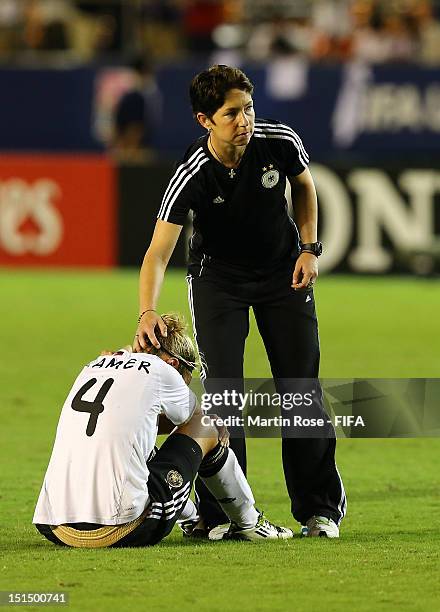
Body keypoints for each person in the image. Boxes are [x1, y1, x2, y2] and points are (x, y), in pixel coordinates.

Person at [134, 65, 346, 539]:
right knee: (225, 398)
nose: (245, 119)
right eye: (232, 112)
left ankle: (319, 510)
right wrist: (147, 311)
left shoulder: (279, 141)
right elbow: (157, 252)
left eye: (248, 107)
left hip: (282, 275)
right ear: (204, 120)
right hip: (219, 283)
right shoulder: (193, 171)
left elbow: (305, 186)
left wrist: (310, 249)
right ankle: (227, 516)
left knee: (300, 389)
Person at [33, 314, 293, 547]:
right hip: (122, 528)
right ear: (173, 363)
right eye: (187, 377)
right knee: (207, 425)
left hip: (53, 525)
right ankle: (249, 523)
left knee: (137, 444)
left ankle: (193, 520)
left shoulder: (95, 364)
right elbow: (191, 420)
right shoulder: (162, 371)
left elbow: (136, 421)